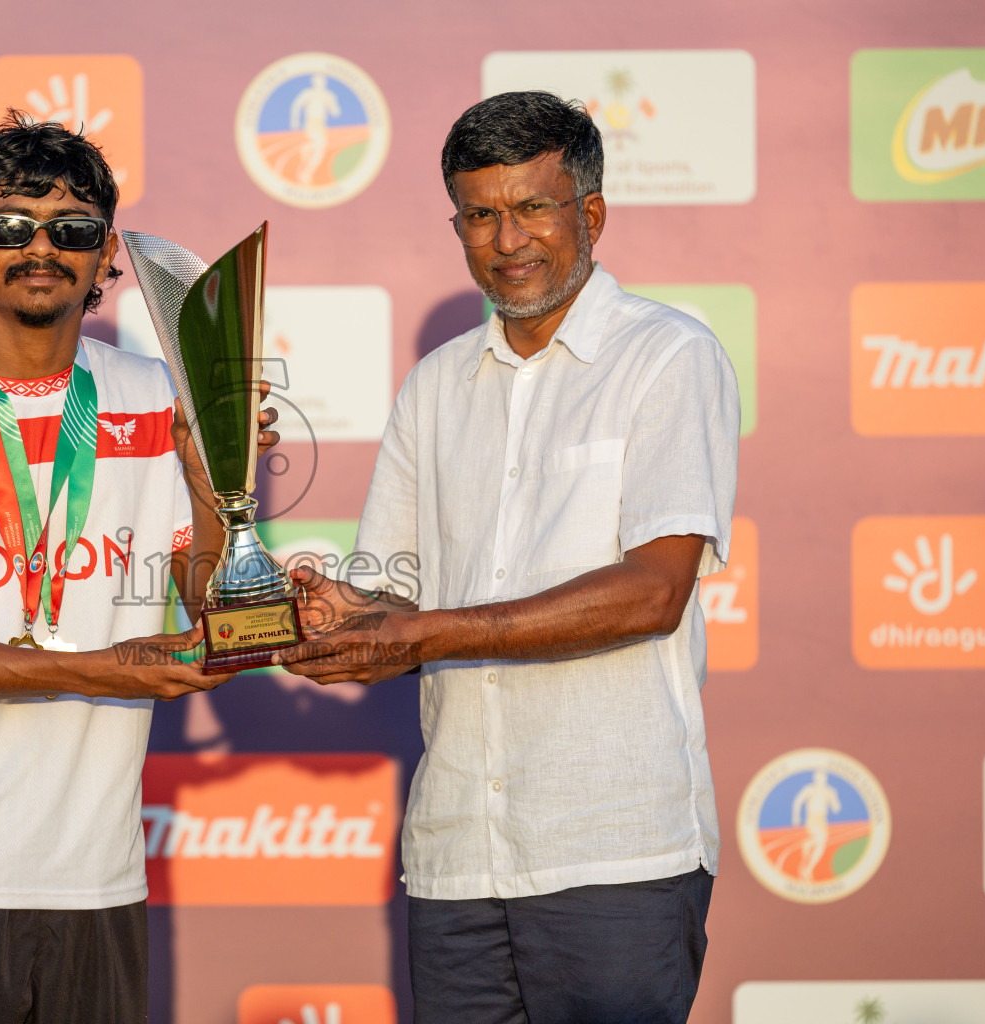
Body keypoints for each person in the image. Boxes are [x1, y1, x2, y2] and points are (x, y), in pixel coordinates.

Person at [278, 91, 739, 1023]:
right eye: (481, 214)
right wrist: (326, 612)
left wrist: (416, 631)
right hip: (455, 857)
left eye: (533, 207)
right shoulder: (435, 386)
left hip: (615, 853)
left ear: (591, 214)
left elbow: (651, 593)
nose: (507, 239)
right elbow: (389, 599)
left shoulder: (667, 358)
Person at [0, 111, 277, 1024]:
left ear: (105, 255)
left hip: (97, 885)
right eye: (6, 229)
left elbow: (211, 612)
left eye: (71, 231)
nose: (41, 249)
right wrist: (104, 672)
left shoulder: (161, 398)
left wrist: (210, 485)